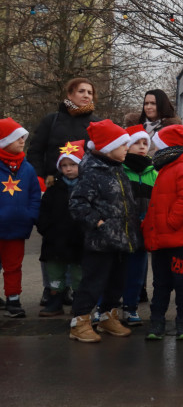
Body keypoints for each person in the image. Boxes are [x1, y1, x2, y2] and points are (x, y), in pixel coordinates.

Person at [67, 120, 140, 343]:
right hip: (101, 241)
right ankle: (79, 323)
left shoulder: (116, 169)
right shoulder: (91, 171)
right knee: (93, 282)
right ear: (108, 147)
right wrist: (99, 224)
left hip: (121, 239)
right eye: (122, 145)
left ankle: (108, 316)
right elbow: (77, 204)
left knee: (116, 282)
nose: (126, 148)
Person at [143, 125, 183, 341]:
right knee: (160, 283)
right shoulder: (169, 167)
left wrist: (171, 223)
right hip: (163, 238)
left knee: (182, 282)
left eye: (156, 145)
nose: (153, 150)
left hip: (178, 239)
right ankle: (157, 321)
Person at [37, 140, 86, 317]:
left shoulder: (87, 186)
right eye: (64, 165)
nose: (68, 169)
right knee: (55, 272)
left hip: (78, 239)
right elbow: (43, 210)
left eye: (73, 164)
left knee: (78, 274)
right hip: (54, 239)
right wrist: (45, 228)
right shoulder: (54, 187)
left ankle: (79, 303)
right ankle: (55, 301)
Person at [0, 119, 41, 318]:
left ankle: (13, 299)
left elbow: (35, 195)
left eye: (23, 138)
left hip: (17, 227)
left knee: (13, 266)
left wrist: (30, 215)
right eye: (17, 138)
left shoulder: (27, 169)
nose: (21, 141)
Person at [27, 77, 102, 184]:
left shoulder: (98, 124)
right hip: (54, 185)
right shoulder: (51, 120)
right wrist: (40, 178)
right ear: (70, 95)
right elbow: (35, 152)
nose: (86, 95)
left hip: (89, 185)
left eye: (90, 93)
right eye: (81, 91)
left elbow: (104, 156)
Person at [121, 125, 157, 326]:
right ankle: (104, 307)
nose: (142, 146)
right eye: (137, 142)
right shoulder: (120, 170)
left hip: (144, 231)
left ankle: (130, 307)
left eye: (145, 143)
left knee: (136, 272)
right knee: (115, 270)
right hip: (122, 230)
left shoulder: (153, 173)